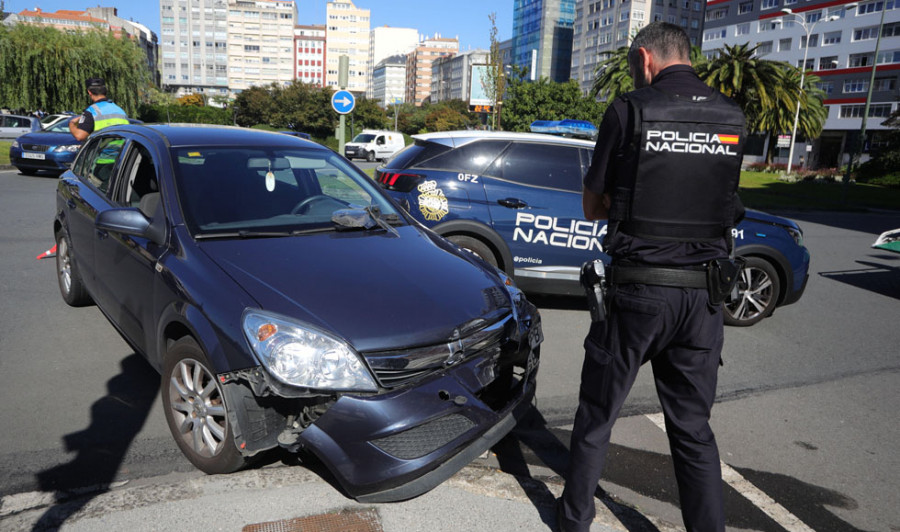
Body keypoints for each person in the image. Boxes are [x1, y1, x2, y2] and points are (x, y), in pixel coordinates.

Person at [557, 22, 746, 532]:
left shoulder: (630, 110)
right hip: (702, 298)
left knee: (598, 415)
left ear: (645, 58)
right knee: (692, 429)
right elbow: (730, 207)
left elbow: (593, 205)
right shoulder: (732, 117)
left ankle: (574, 521)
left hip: (637, 292)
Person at [68, 77, 129, 142]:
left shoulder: (92, 111)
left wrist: (71, 123)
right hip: (122, 150)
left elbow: (80, 136)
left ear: (89, 92)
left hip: (103, 150)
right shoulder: (120, 110)